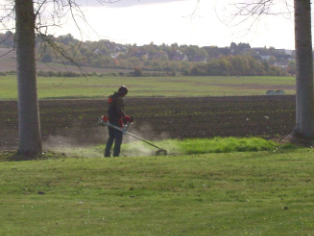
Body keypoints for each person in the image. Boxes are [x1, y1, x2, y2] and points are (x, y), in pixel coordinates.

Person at [104, 85, 132, 157]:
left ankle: (107, 154)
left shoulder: (112, 97)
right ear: (123, 93)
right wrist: (126, 117)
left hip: (110, 120)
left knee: (111, 137)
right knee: (118, 138)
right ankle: (116, 155)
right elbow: (119, 110)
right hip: (116, 121)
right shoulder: (119, 98)